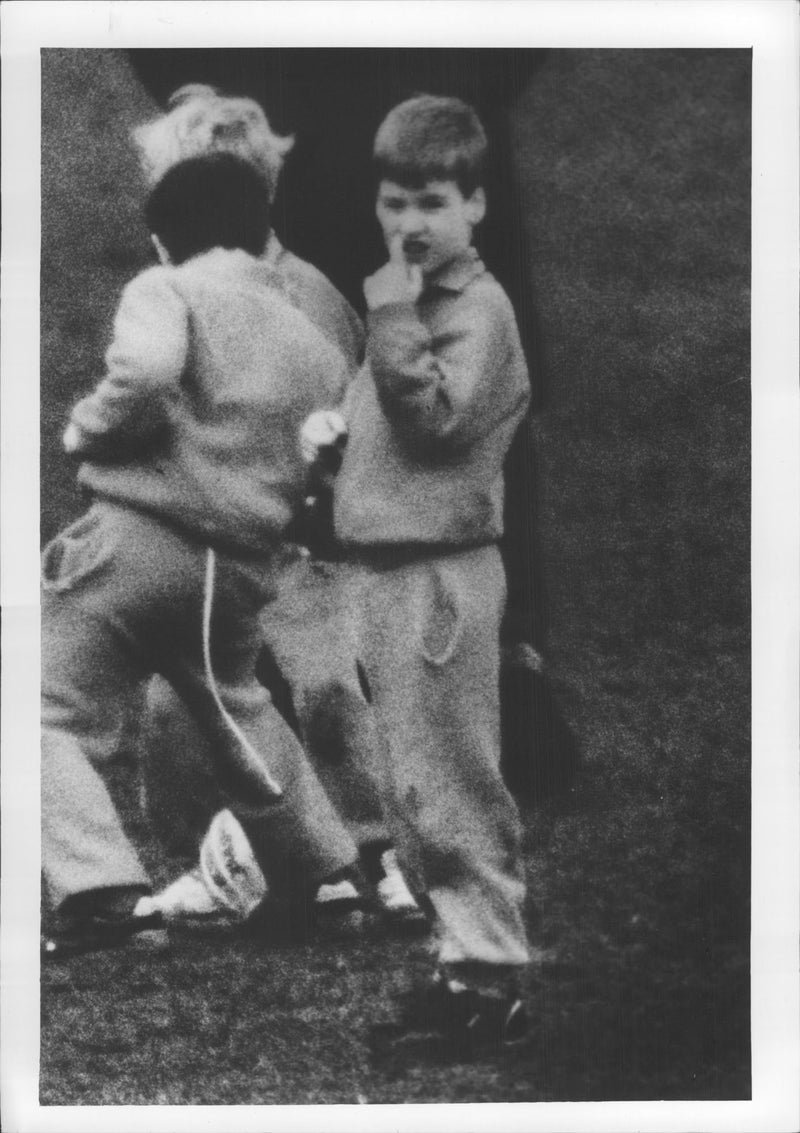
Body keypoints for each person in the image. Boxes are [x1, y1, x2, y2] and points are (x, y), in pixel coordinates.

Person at [40, 152, 367, 959]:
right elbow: (335, 450)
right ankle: (324, 875)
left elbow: (148, 370)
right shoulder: (313, 336)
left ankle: (100, 889)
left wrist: (88, 426)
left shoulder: (168, 288)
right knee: (235, 712)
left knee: (36, 706)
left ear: (162, 242)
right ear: (263, 234)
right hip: (239, 566)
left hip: (144, 538)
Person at [129, 85, 423, 928]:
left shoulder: (310, 297)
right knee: (174, 700)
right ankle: (203, 857)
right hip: (216, 545)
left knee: (329, 686)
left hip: (307, 546)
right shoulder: (164, 300)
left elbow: (348, 427)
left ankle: (381, 850)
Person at [319, 94, 533, 1055]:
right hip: (383, 574)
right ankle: (460, 963)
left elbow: (433, 422)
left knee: (451, 783)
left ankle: (493, 976)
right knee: (411, 788)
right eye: (396, 202)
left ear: (477, 205)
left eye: (434, 202)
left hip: (437, 580)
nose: (411, 224)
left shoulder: (475, 311)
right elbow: (388, 439)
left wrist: (395, 314)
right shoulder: (415, 308)